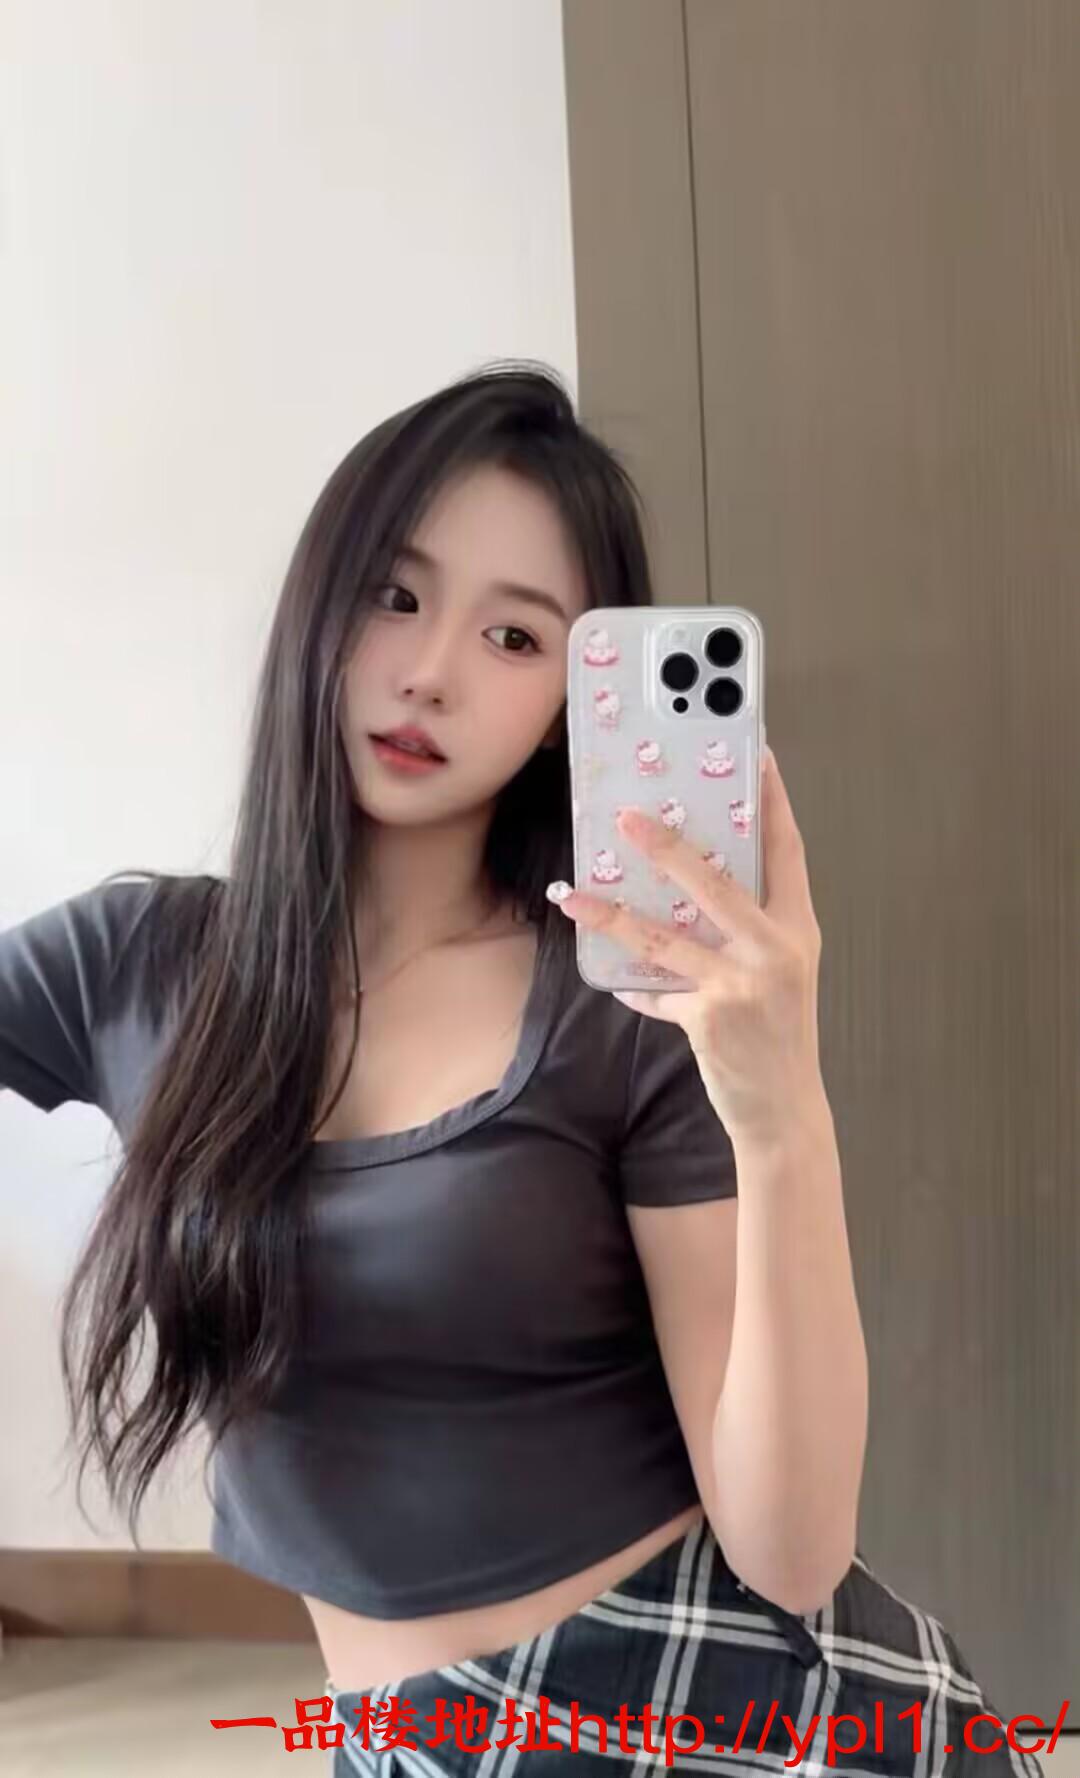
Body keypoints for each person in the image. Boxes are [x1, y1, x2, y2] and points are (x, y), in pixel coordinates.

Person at [0, 362, 1043, 1776]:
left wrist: (783, 1111)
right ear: (320, 602)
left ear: (570, 702)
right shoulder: (136, 962)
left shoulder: (628, 1008)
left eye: (513, 635)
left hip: (725, 1718)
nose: (430, 669)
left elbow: (794, 1554)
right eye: (396, 595)